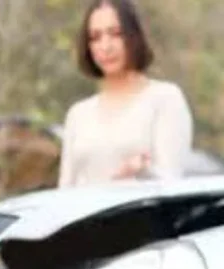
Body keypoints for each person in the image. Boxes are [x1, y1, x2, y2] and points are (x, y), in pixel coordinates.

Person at [58, 0, 194, 188]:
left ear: (134, 36)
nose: (105, 46)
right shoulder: (78, 114)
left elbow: (171, 182)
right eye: (95, 37)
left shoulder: (165, 99)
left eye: (115, 34)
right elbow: (65, 191)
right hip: (89, 217)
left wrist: (138, 175)